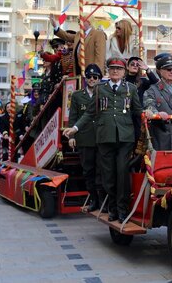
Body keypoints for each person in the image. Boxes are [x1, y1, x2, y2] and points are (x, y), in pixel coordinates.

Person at [63, 57, 142, 223]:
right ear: (108, 71)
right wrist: (75, 129)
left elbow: (138, 112)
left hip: (125, 137)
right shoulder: (100, 89)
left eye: (118, 69)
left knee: (121, 173)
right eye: (112, 68)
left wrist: (148, 116)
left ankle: (122, 209)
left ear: (124, 72)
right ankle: (112, 208)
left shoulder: (131, 89)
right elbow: (89, 113)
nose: (115, 71)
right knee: (107, 175)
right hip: (105, 137)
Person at [68, 64, 104, 212]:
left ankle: (103, 201)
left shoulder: (104, 93)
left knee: (101, 171)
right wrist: (72, 135)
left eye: (95, 77)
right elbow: (73, 116)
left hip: (101, 137)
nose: (91, 79)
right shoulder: (77, 95)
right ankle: (93, 200)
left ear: (99, 79)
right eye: (89, 77)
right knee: (88, 171)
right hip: (84, 138)